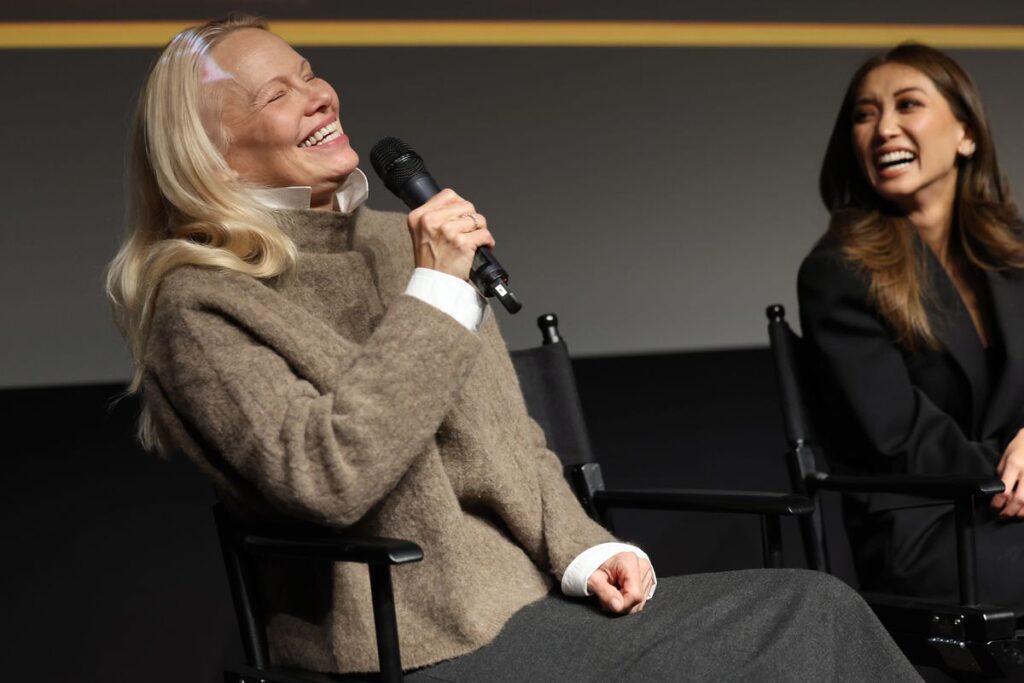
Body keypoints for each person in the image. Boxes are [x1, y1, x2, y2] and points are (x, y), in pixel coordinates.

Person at [107, 14, 919, 680]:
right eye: (276, 94)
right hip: (406, 644)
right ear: (208, 151)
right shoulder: (199, 299)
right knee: (805, 619)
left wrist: (584, 548)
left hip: (529, 602)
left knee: (818, 608)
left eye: (310, 72)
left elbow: (512, 442)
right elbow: (327, 479)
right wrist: (435, 295)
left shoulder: (403, 243)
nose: (319, 96)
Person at [799, 43, 1024, 610]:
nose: (884, 129)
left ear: (966, 134)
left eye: (907, 105)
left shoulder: (1014, 256)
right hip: (929, 528)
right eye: (865, 114)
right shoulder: (838, 272)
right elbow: (901, 440)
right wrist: (1014, 480)